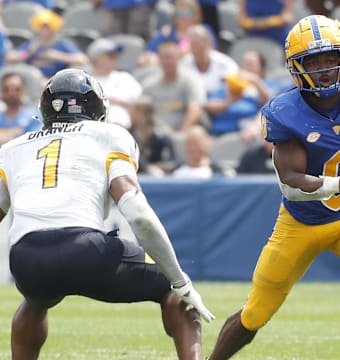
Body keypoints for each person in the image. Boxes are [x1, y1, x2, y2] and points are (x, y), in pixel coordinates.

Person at [1, 68, 215, 359]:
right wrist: (179, 281)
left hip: (25, 259)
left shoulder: (13, 147)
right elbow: (137, 213)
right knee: (173, 289)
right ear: (96, 106)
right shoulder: (109, 135)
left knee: (35, 300)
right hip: (83, 249)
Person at [206, 15, 340, 360]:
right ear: (297, 67)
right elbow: (290, 185)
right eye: (313, 61)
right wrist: (338, 183)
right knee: (255, 313)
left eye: (330, 58)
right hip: (300, 225)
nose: (323, 69)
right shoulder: (284, 111)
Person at [143, 39, 207, 134]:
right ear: (159, 60)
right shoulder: (149, 85)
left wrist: (181, 134)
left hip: (184, 133)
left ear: (179, 58)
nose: (168, 61)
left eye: (171, 57)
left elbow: (195, 109)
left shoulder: (191, 80)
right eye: (164, 58)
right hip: (156, 134)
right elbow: (142, 111)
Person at [6, 9, 88, 79]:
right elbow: (10, 57)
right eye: (42, 28)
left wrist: (58, 56)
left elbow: (82, 59)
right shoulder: (33, 44)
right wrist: (27, 53)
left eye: (48, 28)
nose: (45, 31)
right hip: (35, 80)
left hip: (57, 79)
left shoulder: (63, 44)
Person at [87, 37, 143, 129]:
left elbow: (139, 103)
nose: (115, 59)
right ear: (97, 58)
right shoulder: (86, 80)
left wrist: (103, 99)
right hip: (94, 130)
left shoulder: (124, 77)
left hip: (124, 131)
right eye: (110, 56)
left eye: (116, 56)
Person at [0, 72, 41, 146]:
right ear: (1, 91)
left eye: (17, 89)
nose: (11, 92)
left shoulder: (34, 116)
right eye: (7, 89)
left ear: (23, 90)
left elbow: (34, 142)